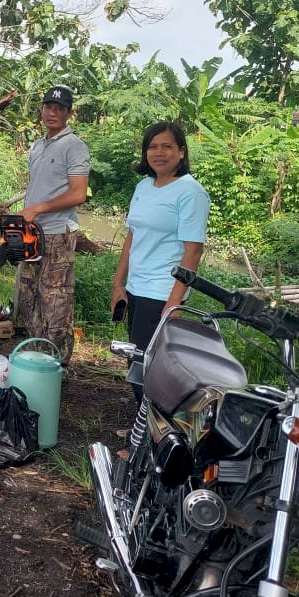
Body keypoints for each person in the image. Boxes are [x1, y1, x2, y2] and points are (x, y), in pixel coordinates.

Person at [111, 121, 210, 397]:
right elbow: (132, 237)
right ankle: (143, 431)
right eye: (152, 147)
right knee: (137, 364)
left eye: (167, 146)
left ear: (181, 152)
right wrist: (118, 283)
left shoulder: (190, 192)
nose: (159, 152)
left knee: (153, 370)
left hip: (162, 293)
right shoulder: (144, 186)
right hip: (136, 289)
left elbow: (194, 251)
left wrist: (174, 303)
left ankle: (153, 437)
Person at [17, 85, 90, 366]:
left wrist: (37, 208)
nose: (53, 112)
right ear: (42, 110)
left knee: (56, 303)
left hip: (58, 233)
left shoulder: (75, 146)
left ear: (69, 113)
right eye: (49, 107)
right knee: (29, 296)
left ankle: (58, 367)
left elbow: (78, 193)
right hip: (31, 234)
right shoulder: (37, 145)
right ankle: (37, 358)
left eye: (60, 108)